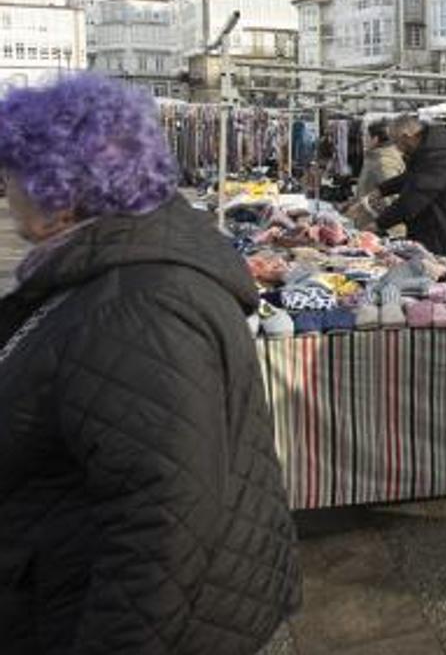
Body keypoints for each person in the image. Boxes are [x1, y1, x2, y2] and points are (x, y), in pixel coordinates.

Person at [0, 75, 300, 654]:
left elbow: (161, 523)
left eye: (12, 172)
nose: (6, 187)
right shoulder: (108, 273)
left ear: (61, 190)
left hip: (157, 625)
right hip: (79, 590)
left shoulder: (137, 305)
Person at [366, 115, 446, 257]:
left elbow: (411, 201)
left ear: (406, 136)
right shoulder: (429, 153)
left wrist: (378, 224)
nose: (397, 148)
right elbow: (412, 177)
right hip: (441, 229)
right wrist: (382, 190)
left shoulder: (436, 158)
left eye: (396, 142)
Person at [356, 119, 406, 198]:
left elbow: (391, 198)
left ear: (375, 139)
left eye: (366, 136)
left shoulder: (384, 163)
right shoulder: (376, 157)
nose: (363, 140)